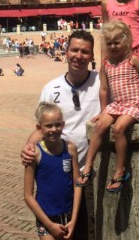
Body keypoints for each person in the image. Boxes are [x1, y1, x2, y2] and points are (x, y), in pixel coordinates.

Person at [21, 30, 100, 240]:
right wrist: (28, 148)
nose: (79, 56)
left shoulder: (101, 83)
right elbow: (41, 128)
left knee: (88, 230)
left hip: (93, 171)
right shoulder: (51, 88)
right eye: (74, 50)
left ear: (92, 56)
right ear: (66, 52)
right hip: (62, 174)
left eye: (85, 52)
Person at [76, 21, 139, 192]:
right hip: (116, 105)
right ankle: (88, 167)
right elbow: (104, 90)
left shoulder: (133, 60)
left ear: (126, 41)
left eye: (117, 42)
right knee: (100, 126)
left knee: (118, 129)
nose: (113, 46)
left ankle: (120, 171)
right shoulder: (106, 65)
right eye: (109, 43)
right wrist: (104, 111)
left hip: (133, 104)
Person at [24, 102, 82, 239]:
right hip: (45, 221)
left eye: (57, 124)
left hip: (68, 218)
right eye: (48, 125)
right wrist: (49, 225)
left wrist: (73, 220)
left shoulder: (70, 149)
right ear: (39, 128)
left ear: (63, 125)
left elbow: (77, 184)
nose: (54, 129)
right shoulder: (35, 154)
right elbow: (28, 195)